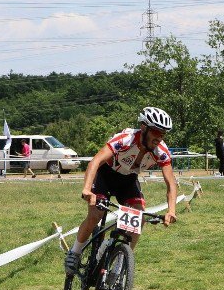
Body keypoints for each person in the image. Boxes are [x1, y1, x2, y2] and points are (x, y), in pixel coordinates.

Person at [65, 107, 178, 276]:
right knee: (96, 215)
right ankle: (75, 252)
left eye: (163, 134)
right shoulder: (126, 139)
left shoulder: (161, 151)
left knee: (138, 219)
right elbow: (95, 161)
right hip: (105, 175)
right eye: (156, 132)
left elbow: (171, 183)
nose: (159, 138)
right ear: (144, 127)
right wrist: (87, 189)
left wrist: (171, 210)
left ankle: (119, 267)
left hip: (128, 181)